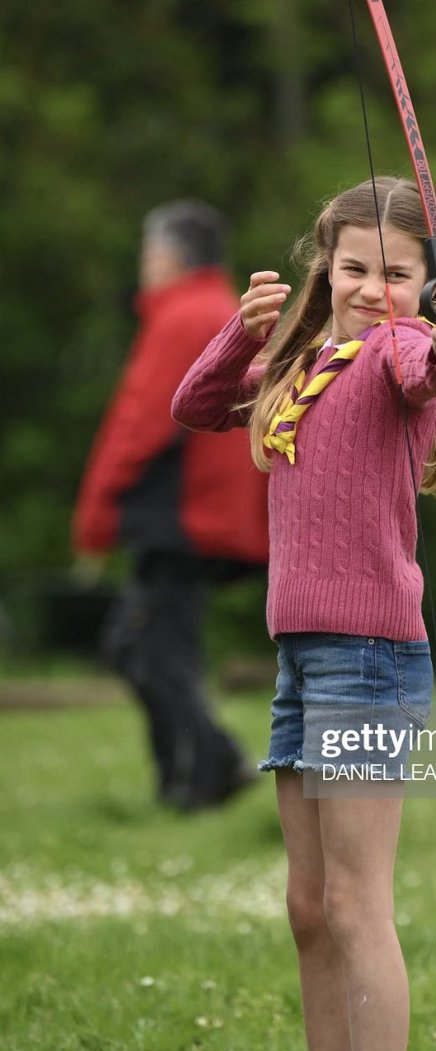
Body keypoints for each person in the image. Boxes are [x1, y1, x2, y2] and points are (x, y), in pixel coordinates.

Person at [171, 176, 436, 1051]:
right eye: (353, 268)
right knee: (307, 906)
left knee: (355, 903)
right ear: (327, 265)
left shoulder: (400, 350)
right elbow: (196, 406)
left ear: (432, 281)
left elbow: (422, 371)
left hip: (368, 657)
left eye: (398, 273)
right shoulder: (311, 355)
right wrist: (243, 330)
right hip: (303, 658)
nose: (371, 289)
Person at [72, 200, 269, 811]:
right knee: (155, 646)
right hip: (216, 516)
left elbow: (137, 426)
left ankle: (211, 767)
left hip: (181, 517)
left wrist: (95, 518)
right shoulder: (222, 308)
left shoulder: (183, 315)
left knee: (145, 649)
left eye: (146, 253)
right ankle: (184, 780)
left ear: (168, 256)